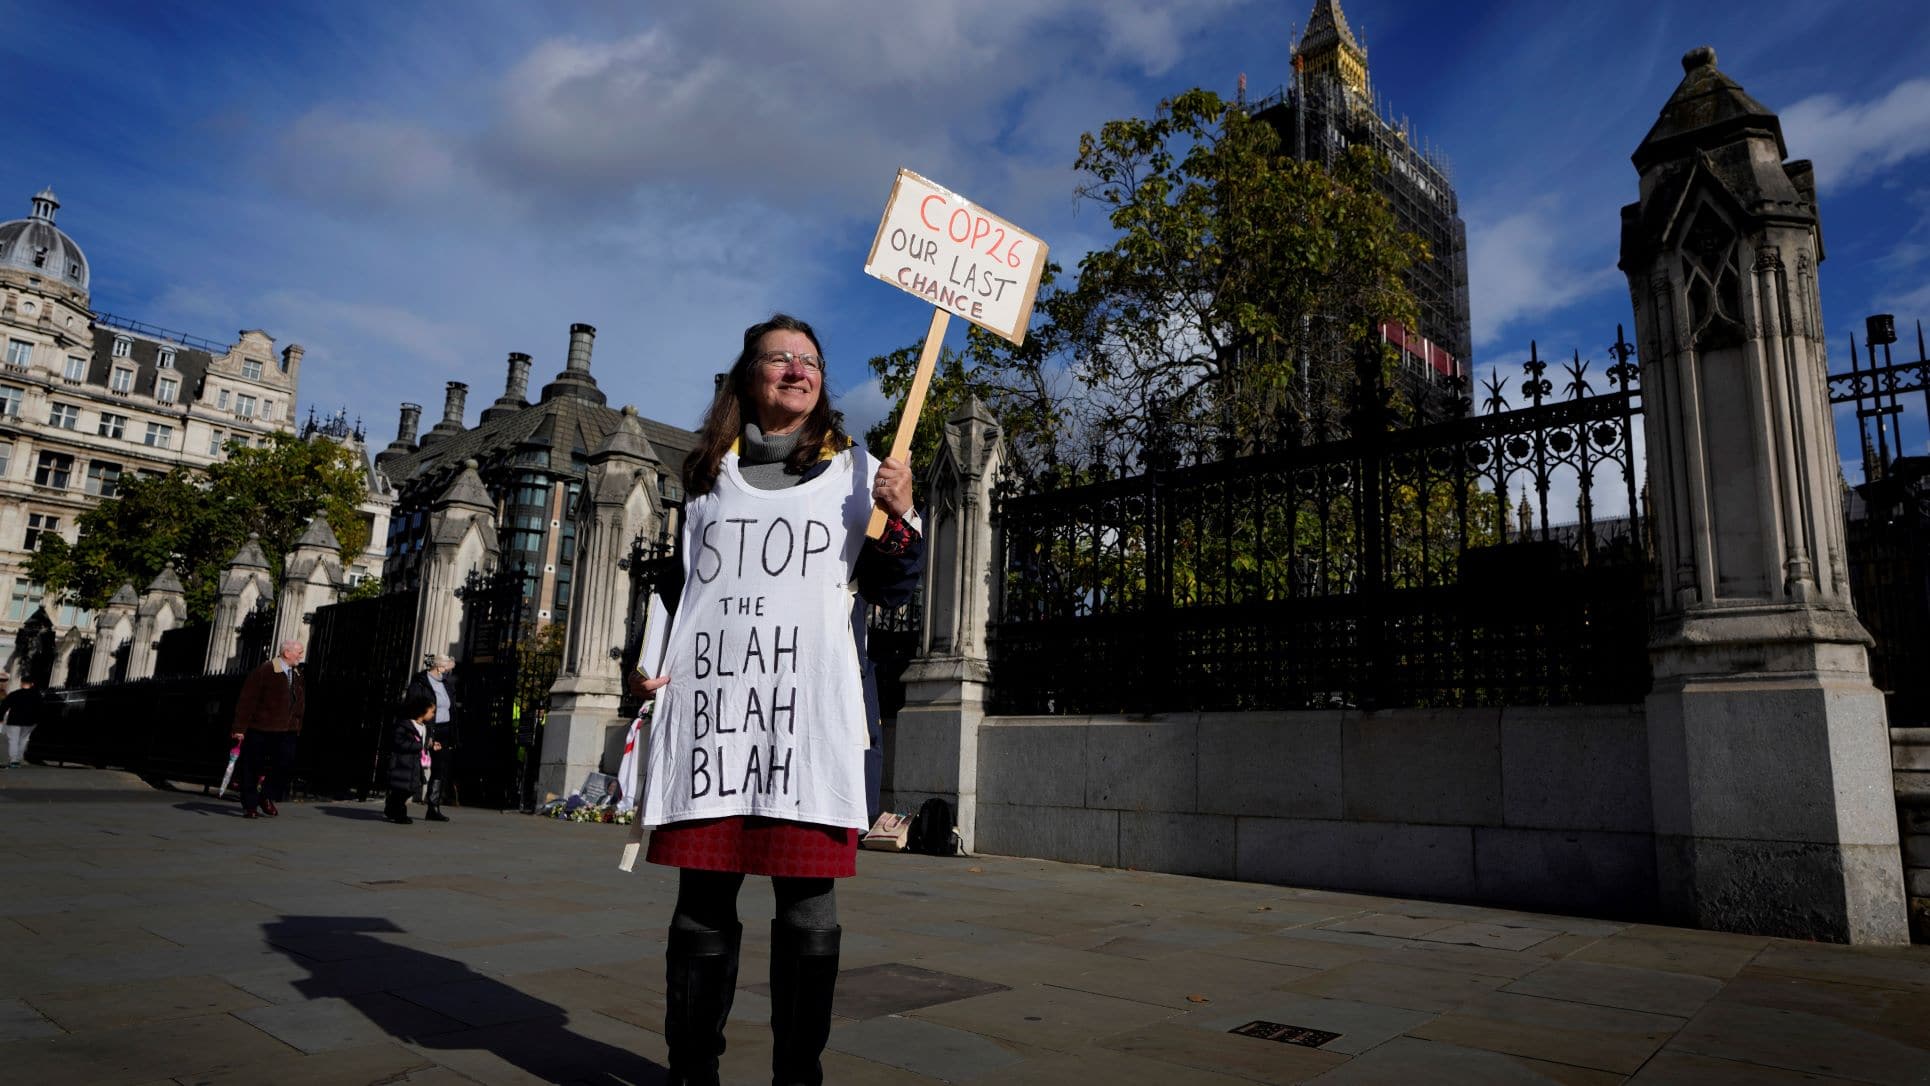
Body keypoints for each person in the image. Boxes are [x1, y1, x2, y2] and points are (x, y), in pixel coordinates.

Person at [636, 314, 923, 1086]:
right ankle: (692, 1072)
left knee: (809, 906)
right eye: (779, 359)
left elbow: (897, 589)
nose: (798, 370)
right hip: (718, 724)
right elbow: (682, 591)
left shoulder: (860, 472)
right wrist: (651, 664)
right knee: (703, 902)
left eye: (811, 360)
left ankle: (799, 1077)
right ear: (748, 376)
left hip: (810, 725)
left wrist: (897, 515)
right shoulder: (705, 476)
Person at [231, 640, 305, 819]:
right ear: (287, 653)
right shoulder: (265, 671)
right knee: (253, 766)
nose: (301, 656)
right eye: (299, 652)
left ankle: (265, 796)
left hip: (287, 730)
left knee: (284, 763)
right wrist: (239, 727)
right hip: (262, 727)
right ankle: (250, 805)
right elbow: (247, 700)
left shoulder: (296, 674)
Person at [405, 655, 460, 821]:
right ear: (439, 667)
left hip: (444, 730)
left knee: (439, 768)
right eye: (447, 668)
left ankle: (433, 806)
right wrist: (426, 733)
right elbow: (413, 706)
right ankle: (399, 800)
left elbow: (451, 709)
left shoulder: (446, 684)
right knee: (413, 763)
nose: (449, 672)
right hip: (427, 728)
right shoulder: (421, 682)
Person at [385, 690, 439, 824]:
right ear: (422, 711)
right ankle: (399, 814)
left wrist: (431, 745)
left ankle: (392, 808)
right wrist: (417, 745)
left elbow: (424, 743)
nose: (433, 715)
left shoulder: (425, 727)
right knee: (401, 790)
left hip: (416, 763)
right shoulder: (405, 725)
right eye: (431, 712)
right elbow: (399, 742)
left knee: (411, 789)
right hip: (403, 764)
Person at [1, 674, 43, 768]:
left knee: (14, 740)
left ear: (21, 683)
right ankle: (19, 758)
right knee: (23, 739)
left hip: (14, 720)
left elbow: (4, 705)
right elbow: (40, 709)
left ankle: (14, 759)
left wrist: (1, 716)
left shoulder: (15, 694)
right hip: (29, 722)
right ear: (32, 684)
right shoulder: (37, 696)